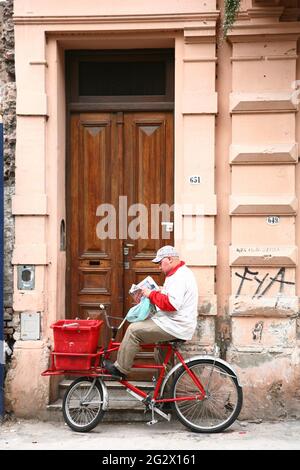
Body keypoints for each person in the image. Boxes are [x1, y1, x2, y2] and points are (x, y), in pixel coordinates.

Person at [103, 245, 198, 379]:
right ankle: (166, 395)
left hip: (175, 325)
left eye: (160, 263)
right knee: (161, 353)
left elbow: (171, 304)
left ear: (169, 259)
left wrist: (151, 294)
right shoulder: (177, 274)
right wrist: (159, 291)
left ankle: (121, 369)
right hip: (173, 323)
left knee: (133, 331)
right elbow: (171, 297)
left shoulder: (180, 276)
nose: (159, 267)